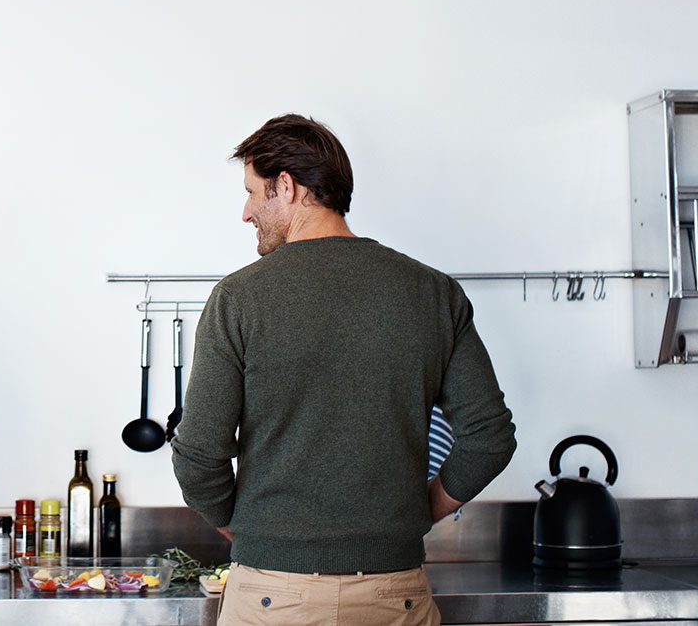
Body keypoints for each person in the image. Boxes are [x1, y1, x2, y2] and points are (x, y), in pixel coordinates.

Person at [171, 115, 516, 626]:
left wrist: (248, 529)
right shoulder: (433, 293)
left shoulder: (238, 299)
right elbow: (489, 440)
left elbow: (198, 458)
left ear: (285, 187)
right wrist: (417, 516)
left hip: (272, 596)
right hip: (395, 593)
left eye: (251, 192)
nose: (246, 213)